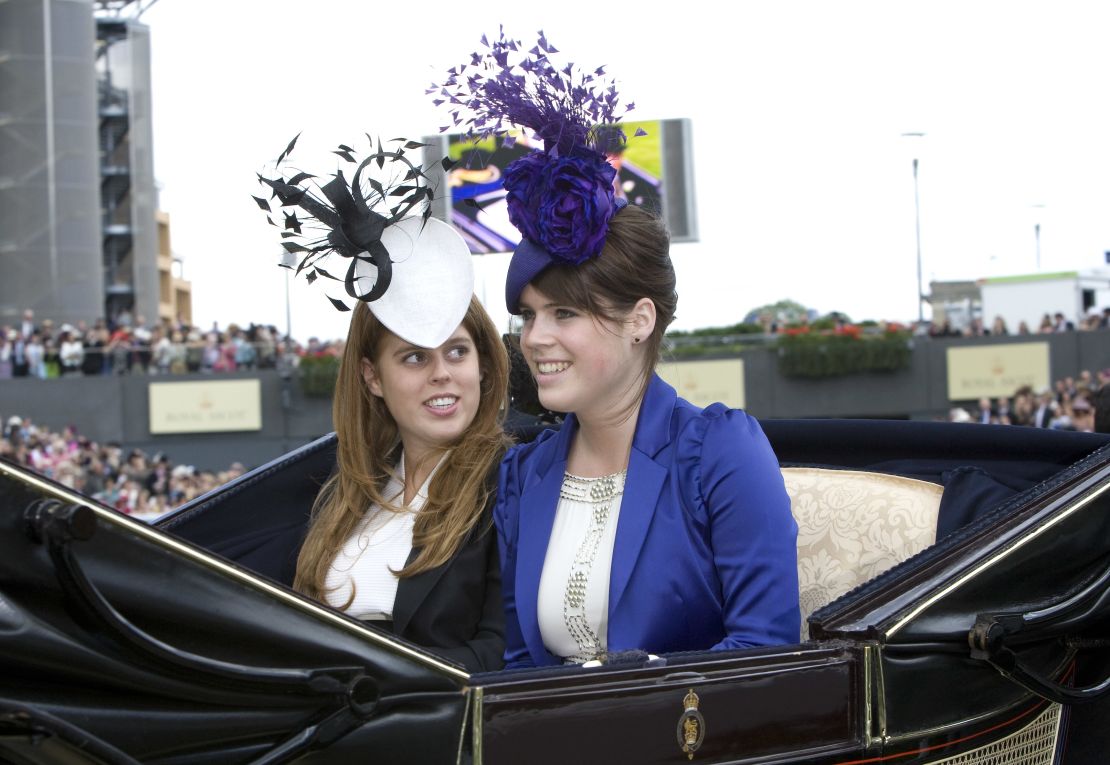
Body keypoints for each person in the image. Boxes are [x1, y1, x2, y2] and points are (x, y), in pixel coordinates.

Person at [435, 32, 799, 668]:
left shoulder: (720, 453)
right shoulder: (524, 477)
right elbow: (520, 668)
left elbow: (766, 654)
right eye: (529, 315)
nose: (535, 338)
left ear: (640, 320)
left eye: (566, 313)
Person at [258, 135, 509, 672]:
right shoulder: (345, 492)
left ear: (483, 364)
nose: (442, 373)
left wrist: (374, 674)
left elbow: (504, 651)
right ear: (372, 376)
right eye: (414, 358)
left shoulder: (512, 478)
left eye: (457, 352)